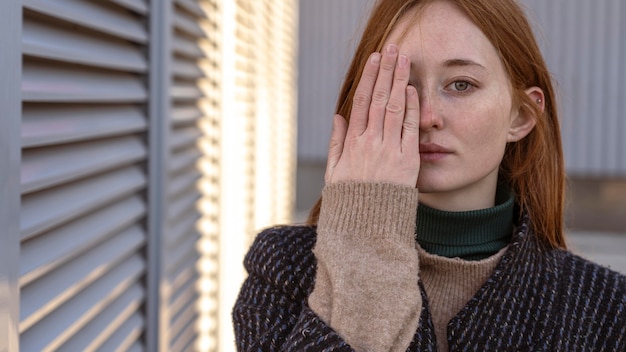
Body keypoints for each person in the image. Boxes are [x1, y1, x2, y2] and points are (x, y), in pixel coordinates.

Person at [233, 0, 626, 350]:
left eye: (461, 85)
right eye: (402, 85)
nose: (427, 117)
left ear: (521, 115)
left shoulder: (606, 308)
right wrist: (367, 229)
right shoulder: (283, 268)